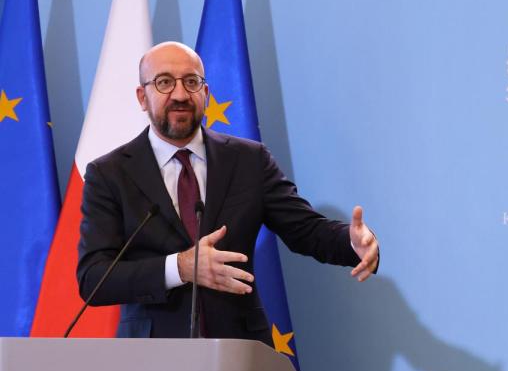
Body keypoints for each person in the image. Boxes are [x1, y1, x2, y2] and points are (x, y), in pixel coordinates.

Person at [77, 41, 379, 346]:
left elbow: (306, 230)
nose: (180, 94)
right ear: (142, 97)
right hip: (152, 359)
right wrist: (180, 267)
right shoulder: (110, 174)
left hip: (240, 351)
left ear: (206, 94)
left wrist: (351, 241)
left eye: (191, 82)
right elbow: (94, 279)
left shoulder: (249, 160)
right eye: (164, 82)